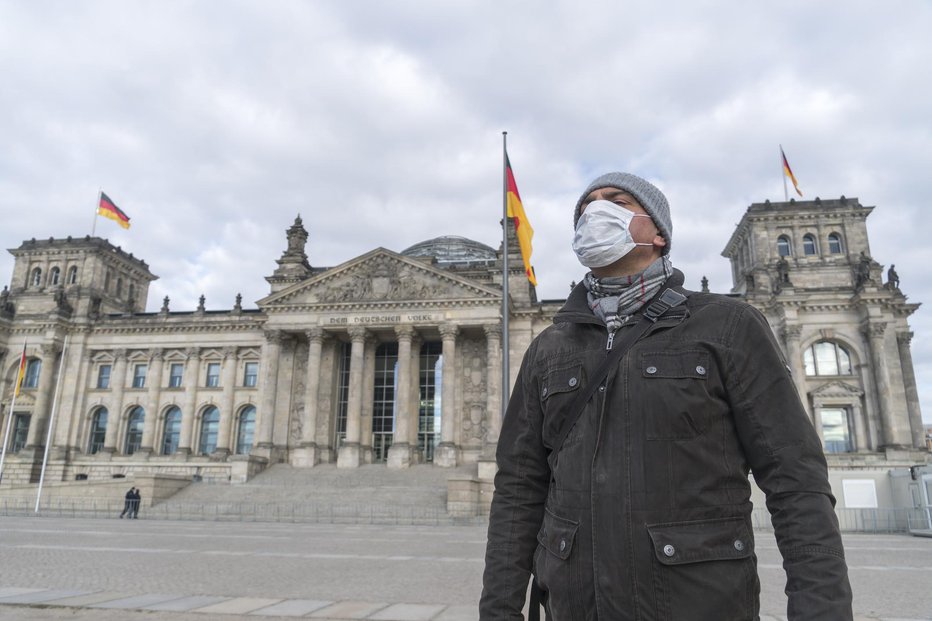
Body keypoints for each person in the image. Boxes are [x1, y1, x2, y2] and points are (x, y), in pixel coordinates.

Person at [480, 172, 852, 620]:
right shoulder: (549, 347)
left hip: (701, 604)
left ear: (658, 232)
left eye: (615, 201)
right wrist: (499, 612)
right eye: (585, 209)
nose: (595, 213)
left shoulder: (727, 326)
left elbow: (796, 481)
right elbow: (519, 490)